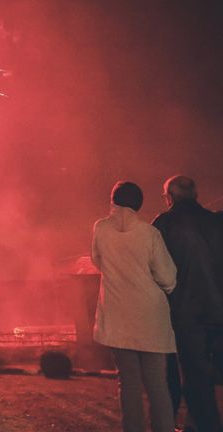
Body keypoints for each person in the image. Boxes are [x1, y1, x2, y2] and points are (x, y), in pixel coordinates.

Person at [92, 181, 177, 432]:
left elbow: (98, 261)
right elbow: (167, 277)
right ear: (139, 204)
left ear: (113, 201)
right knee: (157, 385)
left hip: (117, 317)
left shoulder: (101, 228)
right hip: (150, 318)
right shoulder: (150, 234)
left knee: (128, 385)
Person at [153, 175, 223, 431]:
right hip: (219, 310)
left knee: (196, 380)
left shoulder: (163, 225)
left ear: (169, 197)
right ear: (195, 195)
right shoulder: (218, 221)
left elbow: (156, 272)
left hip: (186, 314)